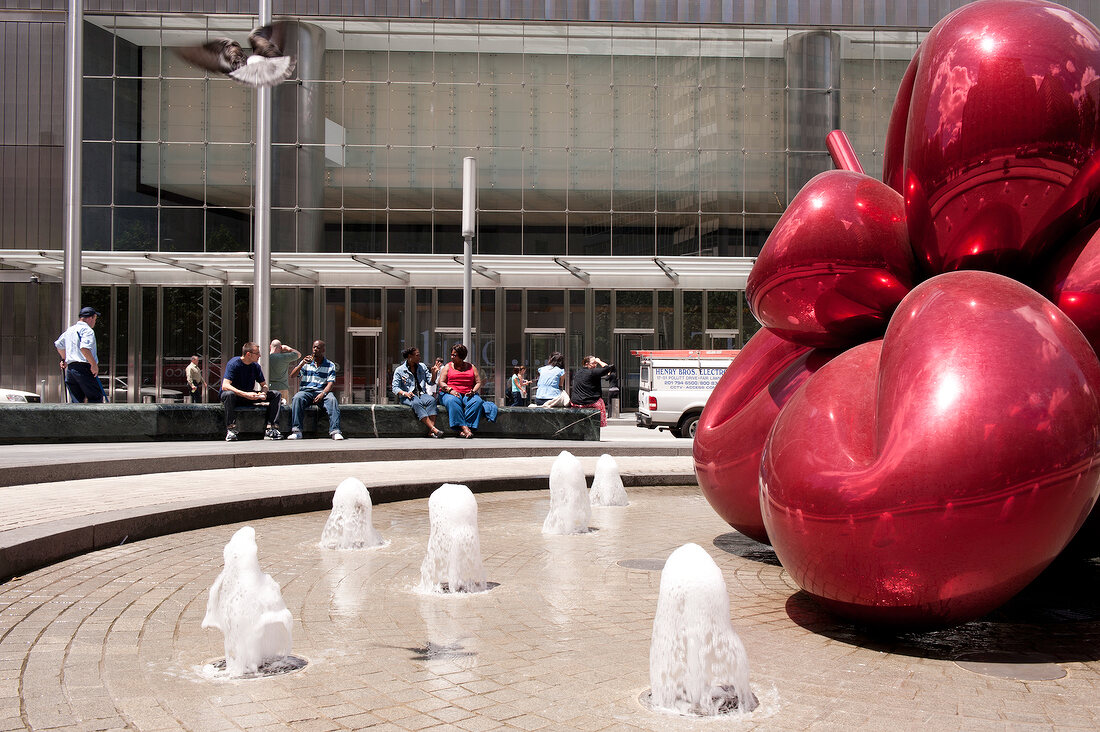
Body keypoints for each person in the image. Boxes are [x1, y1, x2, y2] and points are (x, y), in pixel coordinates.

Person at [220, 342, 282, 441]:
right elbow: (225, 385)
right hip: (235, 396)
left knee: (276, 394)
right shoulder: (234, 363)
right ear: (248, 354)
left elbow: (264, 385)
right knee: (229, 394)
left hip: (249, 395)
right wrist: (245, 394)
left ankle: (271, 428)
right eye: (257, 353)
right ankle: (231, 430)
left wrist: (263, 393)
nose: (260, 355)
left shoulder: (255, 366)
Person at [437, 343, 497, 438]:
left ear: (461, 356)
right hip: (450, 393)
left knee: (477, 401)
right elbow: (441, 382)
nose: (451, 356)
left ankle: (468, 426)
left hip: (467, 393)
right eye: (451, 354)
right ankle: (464, 428)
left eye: (454, 355)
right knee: (452, 401)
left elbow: (478, 382)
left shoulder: (472, 367)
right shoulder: (447, 367)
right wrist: (450, 390)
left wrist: (473, 391)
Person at [287, 340, 343, 440]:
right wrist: (301, 364)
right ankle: (297, 431)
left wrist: (323, 393)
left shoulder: (330, 365)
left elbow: (331, 383)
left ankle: (335, 431)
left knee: (332, 400)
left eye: (318, 348)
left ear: (323, 350)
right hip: (306, 391)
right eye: (314, 347)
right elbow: (292, 375)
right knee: (297, 398)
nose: (315, 350)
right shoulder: (306, 362)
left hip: (322, 390)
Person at [54, 306, 106, 403]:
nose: (95, 321)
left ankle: (76, 418)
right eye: (95, 318)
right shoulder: (87, 330)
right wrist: (94, 365)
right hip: (84, 367)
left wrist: (64, 359)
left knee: (76, 400)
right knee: (95, 398)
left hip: (71, 370)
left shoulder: (70, 330)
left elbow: (59, 345)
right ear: (91, 317)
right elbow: (84, 348)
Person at [392, 346, 444, 438]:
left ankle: (431, 431)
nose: (420, 357)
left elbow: (431, 382)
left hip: (421, 394)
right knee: (416, 402)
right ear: (409, 356)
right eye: (417, 355)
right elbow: (395, 388)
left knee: (431, 400)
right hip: (407, 396)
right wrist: (405, 393)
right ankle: (433, 429)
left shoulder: (422, 367)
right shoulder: (400, 370)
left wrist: (434, 373)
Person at [569, 356, 616, 427]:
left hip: (576, 402)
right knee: (600, 402)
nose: (595, 365)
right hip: (590, 402)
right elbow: (608, 368)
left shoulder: (578, 373)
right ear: (587, 364)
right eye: (594, 363)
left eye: (596, 363)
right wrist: (599, 361)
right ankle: (601, 423)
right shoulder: (593, 372)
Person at [267, 339, 302, 405]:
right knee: (283, 410)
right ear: (280, 347)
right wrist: (288, 348)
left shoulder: (265, 358)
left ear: (270, 346)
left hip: (269, 388)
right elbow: (298, 354)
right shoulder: (284, 357)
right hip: (282, 388)